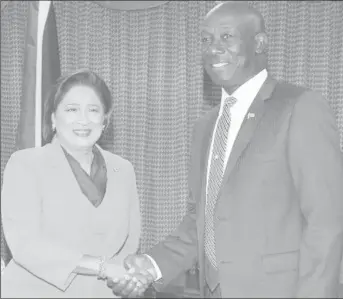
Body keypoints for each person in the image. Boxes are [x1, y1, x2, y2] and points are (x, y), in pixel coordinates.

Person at [106, 2, 343, 298]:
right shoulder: (204, 127)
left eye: (227, 37)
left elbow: (326, 221)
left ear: (259, 43)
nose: (214, 48)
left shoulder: (299, 107)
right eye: (206, 39)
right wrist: (151, 265)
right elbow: (201, 221)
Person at [0, 69, 149, 297]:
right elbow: (25, 244)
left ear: (104, 120)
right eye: (71, 109)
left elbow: (130, 242)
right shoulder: (26, 164)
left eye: (93, 110)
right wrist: (101, 266)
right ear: (53, 118)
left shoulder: (123, 169)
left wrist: (127, 279)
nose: (83, 120)